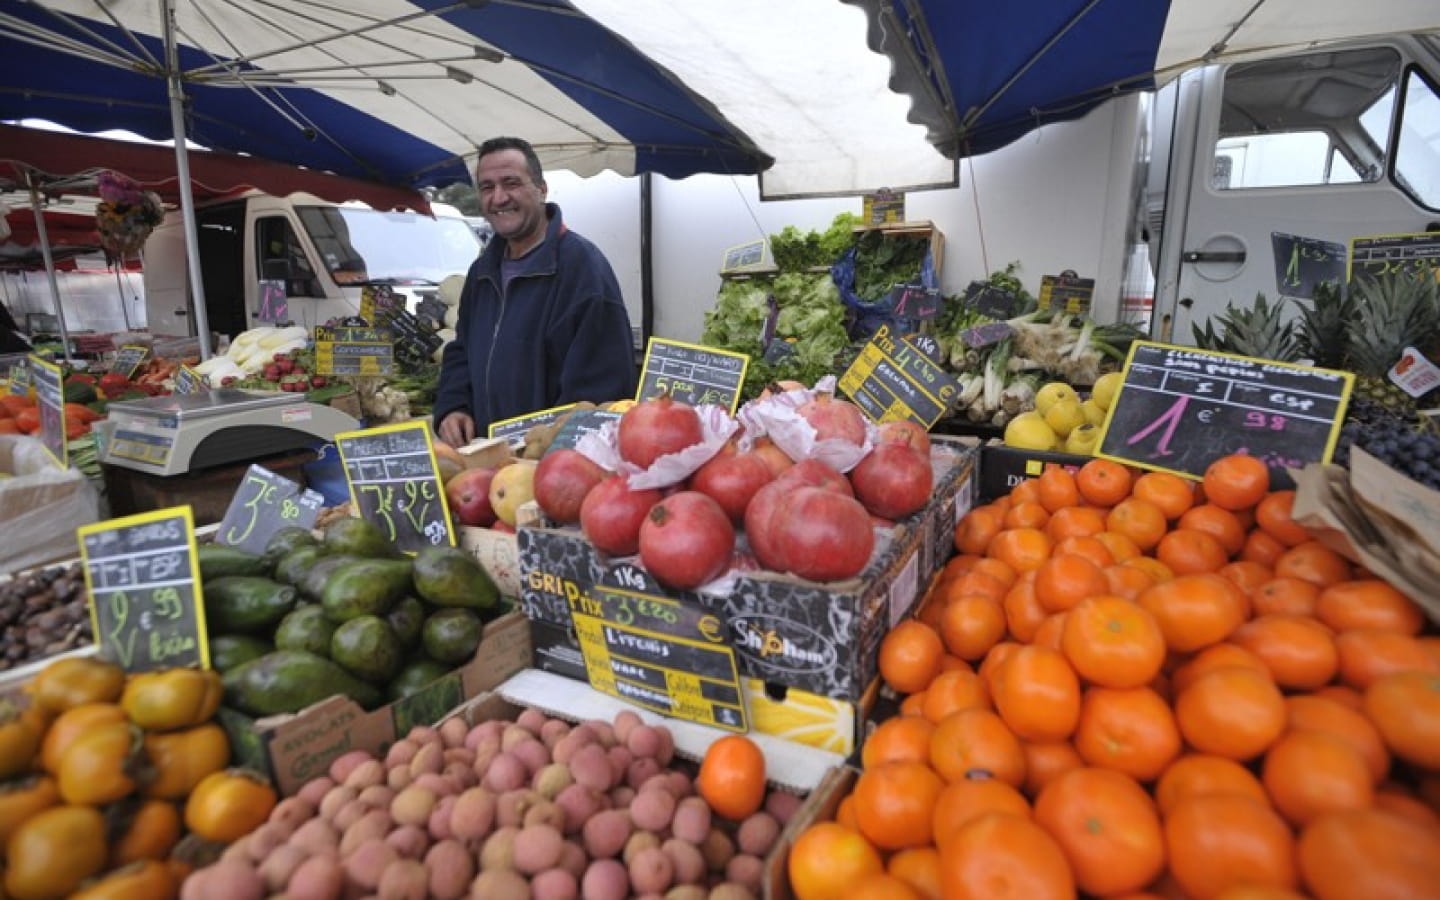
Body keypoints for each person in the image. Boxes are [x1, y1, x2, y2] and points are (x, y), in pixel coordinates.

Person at [433, 137, 637, 445]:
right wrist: (454, 406)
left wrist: (547, 453)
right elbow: (462, 350)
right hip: (490, 459)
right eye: (487, 187)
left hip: (551, 468)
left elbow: (600, 390)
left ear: (541, 189)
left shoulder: (582, 268)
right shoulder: (482, 271)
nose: (499, 197)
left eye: (511, 183)